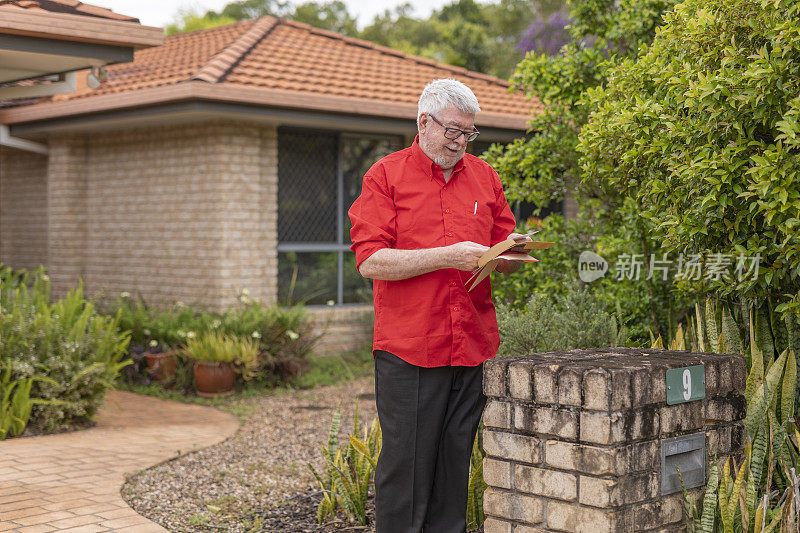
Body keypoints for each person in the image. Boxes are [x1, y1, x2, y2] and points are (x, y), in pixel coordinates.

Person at [348, 78, 527, 533]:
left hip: (471, 344)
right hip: (410, 348)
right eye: (453, 131)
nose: (461, 142)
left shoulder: (485, 176)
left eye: (469, 133)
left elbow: (499, 250)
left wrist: (509, 254)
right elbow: (370, 261)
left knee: (453, 467)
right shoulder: (384, 176)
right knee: (405, 471)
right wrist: (446, 256)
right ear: (424, 122)